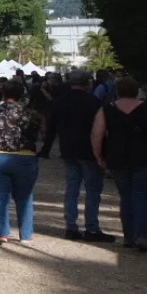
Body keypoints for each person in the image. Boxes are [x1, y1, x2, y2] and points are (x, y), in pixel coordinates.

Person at [93, 77, 147, 252]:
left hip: (118, 158)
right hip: (146, 158)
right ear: (137, 90)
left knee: (126, 197)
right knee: (143, 198)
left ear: (117, 91)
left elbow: (97, 134)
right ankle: (142, 236)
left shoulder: (106, 109)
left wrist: (99, 156)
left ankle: (128, 236)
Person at [46, 70, 114, 242]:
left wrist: (46, 149)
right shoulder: (94, 102)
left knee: (72, 189)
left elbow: (50, 127)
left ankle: (71, 226)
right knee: (92, 190)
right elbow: (101, 130)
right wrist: (104, 154)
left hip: (68, 149)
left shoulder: (59, 101)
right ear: (87, 83)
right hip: (89, 150)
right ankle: (91, 227)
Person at [0, 80, 42, 245]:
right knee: (24, 197)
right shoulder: (30, 114)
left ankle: (1, 233)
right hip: (24, 156)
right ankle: (26, 235)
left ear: (3, 93)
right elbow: (34, 135)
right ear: (21, 94)